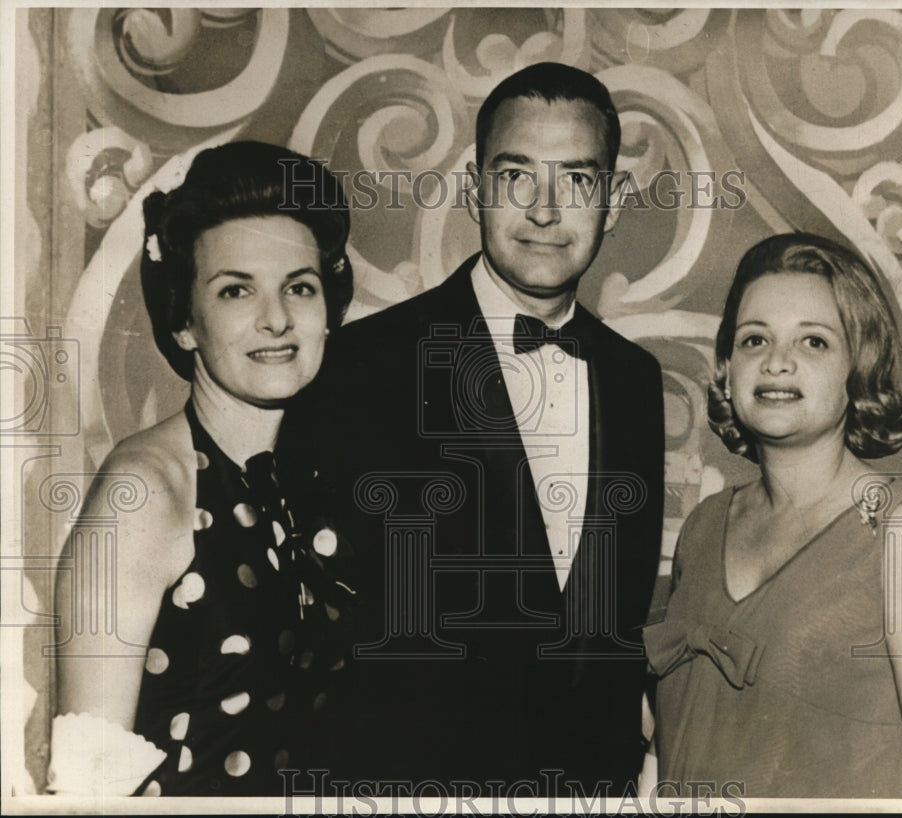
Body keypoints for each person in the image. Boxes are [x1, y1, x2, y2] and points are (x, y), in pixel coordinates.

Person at [286, 62, 665, 793]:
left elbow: (606, 632)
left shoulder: (632, 380)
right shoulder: (363, 365)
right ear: (474, 187)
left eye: (578, 181)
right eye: (517, 176)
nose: (546, 211)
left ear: (613, 202)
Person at [48, 141, 356, 796]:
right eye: (235, 290)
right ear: (185, 322)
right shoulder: (141, 492)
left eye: (299, 287)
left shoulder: (316, 484)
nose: (276, 320)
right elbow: (82, 794)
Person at [642, 233, 902, 799]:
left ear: (860, 367)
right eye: (755, 340)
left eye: (814, 342)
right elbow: (665, 750)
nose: (777, 362)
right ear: (727, 369)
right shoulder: (704, 526)